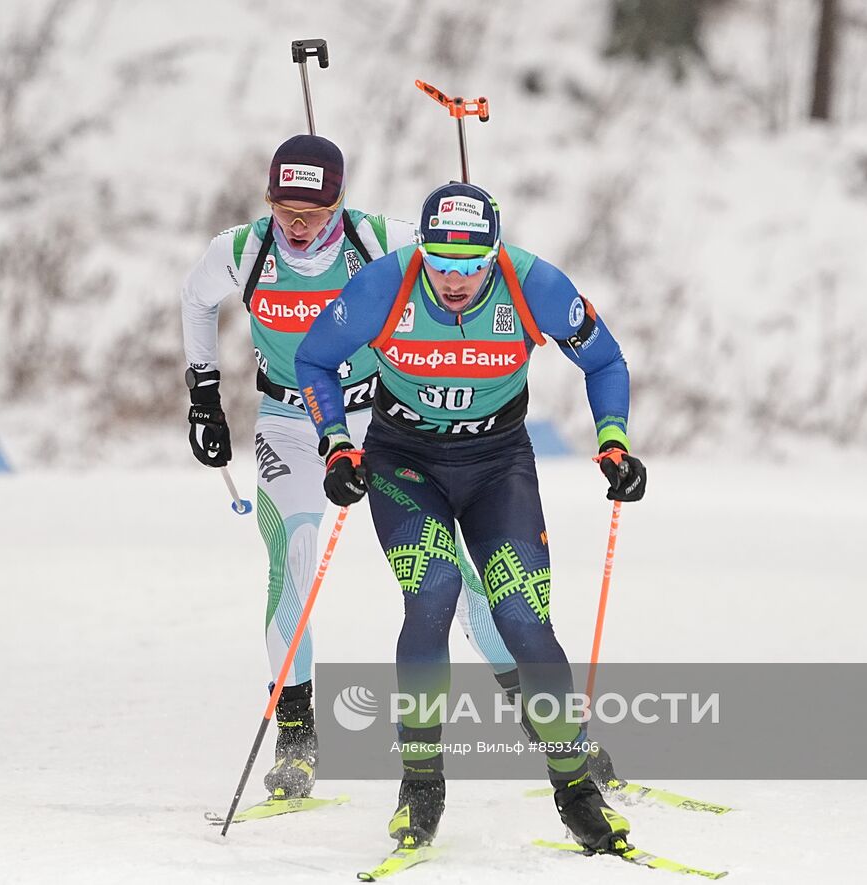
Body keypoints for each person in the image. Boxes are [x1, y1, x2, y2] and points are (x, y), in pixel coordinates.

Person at [293, 181, 647, 853]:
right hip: (405, 462)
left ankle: (576, 792)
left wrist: (614, 440)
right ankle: (421, 785)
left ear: (493, 256)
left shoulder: (533, 283)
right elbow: (314, 358)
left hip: (496, 463)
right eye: (441, 264)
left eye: (470, 266)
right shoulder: (384, 285)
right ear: (422, 251)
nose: (454, 281)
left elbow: (604, 358)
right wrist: (336, 442)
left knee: (523, 616)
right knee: (432, 593)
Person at [179, 137, 524, 802]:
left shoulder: (381, 240)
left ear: (340, 200)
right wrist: (203, 392)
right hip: (288, 418)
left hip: (381, 420)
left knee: (446, 567)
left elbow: (464, 259)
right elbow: (194, 298)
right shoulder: (244, 249)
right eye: (284, 208)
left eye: (314, 209)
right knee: (293, 557)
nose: (298, 224)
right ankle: (298, 733)